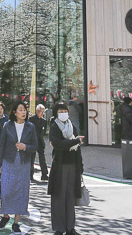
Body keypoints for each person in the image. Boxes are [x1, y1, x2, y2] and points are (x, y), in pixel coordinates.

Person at [0, 101, 37, 234]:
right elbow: (2, 146)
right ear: (14, 112)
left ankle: (16, 222)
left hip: (24, 163)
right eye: (20, 110)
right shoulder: (8, 125)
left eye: (24, 109)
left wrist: (25, 147)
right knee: (6, 191)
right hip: (8, 161)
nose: (23, 112)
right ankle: (6, 216)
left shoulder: (31, 126)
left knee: (21, 192)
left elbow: (36, 146)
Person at [48, 101, 84, 235]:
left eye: (65, 111)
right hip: (60, 165)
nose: (63, 114)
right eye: (60, 112)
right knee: (59, 197)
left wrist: (80, 166)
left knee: (70, 198)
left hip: (73, 165)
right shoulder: (54, 127)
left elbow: (78, 149)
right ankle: (59, 228)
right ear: (56, 113)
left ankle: (70, 228)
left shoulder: (72, 126)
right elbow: (58, 144)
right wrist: (75, 141)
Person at [28, 103, 49, 181]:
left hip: (40, 142)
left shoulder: (44, 121)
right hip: (32, 141)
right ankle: (30, 175)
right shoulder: (31, 119)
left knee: (42, 158)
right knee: (31, 159)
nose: (42, 113)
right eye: (41, 111)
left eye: (43, 112)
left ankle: (44, 174)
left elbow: (43, 132)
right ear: (37, 111)